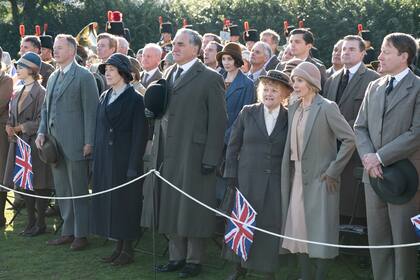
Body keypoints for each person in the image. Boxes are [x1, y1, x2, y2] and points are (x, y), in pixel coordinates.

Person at [154, 28, 227, 278]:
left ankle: (194, 261)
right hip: (170, 152)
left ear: (196, 49)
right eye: (174, 44)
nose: (175, 48)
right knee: (172, 204)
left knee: (193, 208)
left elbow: (218, 122)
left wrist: (211, 158)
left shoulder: (210, 78)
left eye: (181, 44)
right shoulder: (169, 73)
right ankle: (176, 257)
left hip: (195, 154)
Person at [354, 32, 420, 280]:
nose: (379, 56)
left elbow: (417, 132)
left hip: (405, 178)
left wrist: (378, 157)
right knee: (378, 239)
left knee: (403, 241)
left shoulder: (418, 88)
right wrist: (369, 158)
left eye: (385, 51)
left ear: (404, 56)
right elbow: (360, 127)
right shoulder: (375, 86)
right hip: (374, 176)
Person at [280, 62, 355, 279]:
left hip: (321, 179)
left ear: (312, 83)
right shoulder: (293, 106)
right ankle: (305, 274)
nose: (295, 85)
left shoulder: (327, 107)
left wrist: (333, 170)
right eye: (293, 80)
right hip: (295, 177)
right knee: (298, 228)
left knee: (320, 231)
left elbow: (349, 139)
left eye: (300, 80)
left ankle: (320, 275)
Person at [223, 70, 292, 280]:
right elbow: (233, 146)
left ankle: (267, 269)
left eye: (274, 90)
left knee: (269, 225)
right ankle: (238, 268)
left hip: (275, 181)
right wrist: (231, 175)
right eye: (266, 89)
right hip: (247, 179)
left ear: (284, 95)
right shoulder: (248, 112)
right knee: (242, 223)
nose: (269, 94)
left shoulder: (289, 116)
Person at [35, 34, 99, 250]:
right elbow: (45, 108)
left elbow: (91, 112)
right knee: (62, 190)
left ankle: (81, 234)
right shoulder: (52, 77)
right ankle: (68, 231)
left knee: (79, 190)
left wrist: (89, 141)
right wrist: (42, 132)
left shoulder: (84, 76)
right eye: (54, 48)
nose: (55, 51)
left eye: (60, 48)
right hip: (54, 145)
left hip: (77, 143)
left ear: (72, 51)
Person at [90, 53, 148, 266]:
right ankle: (118, 246)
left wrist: (133, 165)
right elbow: (98, 131)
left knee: (125, 204)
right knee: (111, 203)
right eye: (106, 70)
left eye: (111, 70)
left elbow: (140, 135)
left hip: (125, 160)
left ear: (123, 73)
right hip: (106, 159)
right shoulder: (105, 96)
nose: (107, 73)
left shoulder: (135, 99)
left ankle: (128, 249)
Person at [324, 35, 379, 220]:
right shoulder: (331, 79)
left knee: (354, 210)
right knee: (333, 208)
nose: (345, 53)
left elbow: (373, 118)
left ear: (363, 53)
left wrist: (342, 129)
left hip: (357, 153)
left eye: (351, 49)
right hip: (332, 150)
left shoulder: (374, 80)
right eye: (343, 49)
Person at [3, 52, 54, 236]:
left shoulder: (41, 92)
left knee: (38, 185)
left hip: (33, 144)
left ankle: (40, 223)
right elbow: (12, 113)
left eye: (21, 66)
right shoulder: (19, 89)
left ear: (32, 70)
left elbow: (43, 119)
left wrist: (20, 127)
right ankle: (31, 221)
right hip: (19, 144)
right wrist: (9, 124)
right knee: (24, 185)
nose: (17, 69)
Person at [214, 42, 255, 203]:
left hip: (231, 138)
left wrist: (228, 137)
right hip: (213, 134)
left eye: (230, 59)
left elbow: (243, 115)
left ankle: (222, 215)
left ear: (237, 61)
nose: (226, 62)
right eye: (223, 59)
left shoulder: (247, 84)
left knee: (226, 175)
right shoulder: (216, 79)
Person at [0, 47, 13, 228]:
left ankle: (0, 215)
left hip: (1, 131)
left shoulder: (6, 79)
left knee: (0, 173)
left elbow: (1, 103)